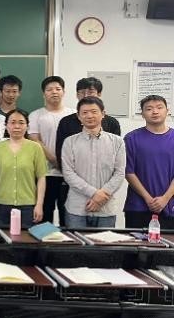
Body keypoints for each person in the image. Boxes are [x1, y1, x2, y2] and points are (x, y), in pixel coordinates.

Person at [61, 96, 125, 228]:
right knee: (76, 242)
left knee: (105, 242)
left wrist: (102, 196)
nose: (89, 116)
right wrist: (95, 194)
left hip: (106, 209)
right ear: (78, 116)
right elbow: (68, 174)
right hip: (77, 209)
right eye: (84, 112)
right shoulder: (70, 142)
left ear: (103, 114)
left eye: (94, 111)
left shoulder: (117, 142)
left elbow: (119, 173)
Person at [27, 76, 75, 225]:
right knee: (44, 216)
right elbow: (35, 140)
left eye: (58, 89)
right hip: (45, 174)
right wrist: (55, 161)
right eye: (49, 89)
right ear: (43, 94)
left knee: (67, 217)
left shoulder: (74, 115)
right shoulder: (36, 115)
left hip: (70, 174)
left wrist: (65, 164)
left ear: (64, 92)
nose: (54, 92)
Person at [0, 109, 47, 228]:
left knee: (25, 238)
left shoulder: (35, 148)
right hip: (2, 205)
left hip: (27, 205)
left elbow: (41, 178)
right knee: (2, 237)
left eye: (21, 123)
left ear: (27, 126)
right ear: (6, 126)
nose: (17, 126)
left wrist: (39, 204)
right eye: (12, 122)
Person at [124, 95, 174, 228]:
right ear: (142, 114)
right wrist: (148, 198)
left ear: (167, 111)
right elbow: (128, 172)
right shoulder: (131, 138)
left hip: (169, 206)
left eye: (159, 107)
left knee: (168, 242)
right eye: (149, 109)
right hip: (138, 207)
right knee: (135, 240)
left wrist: (165, 198)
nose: (155, 111)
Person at [55, 77, 121, 168]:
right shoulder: (66, 122)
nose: (86, 96)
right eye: (82, 92)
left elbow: (115, 155)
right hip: (73, 173)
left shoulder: (112, 123)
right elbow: (61, 154)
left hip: (104, 173)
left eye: (90, 92)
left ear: (99, 94)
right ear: (77, 95)